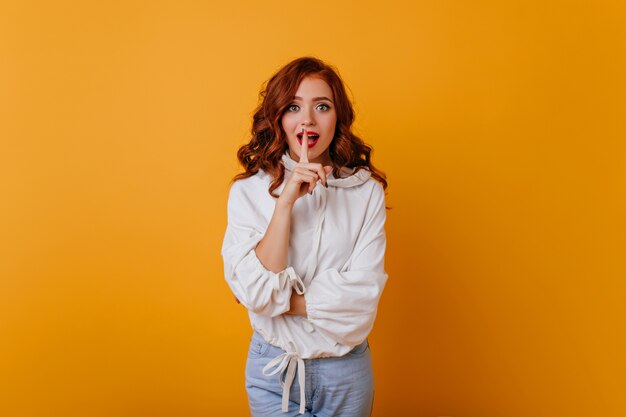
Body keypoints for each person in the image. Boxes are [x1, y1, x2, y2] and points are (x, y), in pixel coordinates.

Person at [221, 56, 389, 417]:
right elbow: (253, 291)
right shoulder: (248, 193)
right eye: (294, 106)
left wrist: (271, 301)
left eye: (322, 106)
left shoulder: (366, 193)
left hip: (345, 371)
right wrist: (285, 205)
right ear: (279, 116)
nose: (308, 120)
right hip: (273, 369)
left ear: (337, 117)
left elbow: (361, 303)